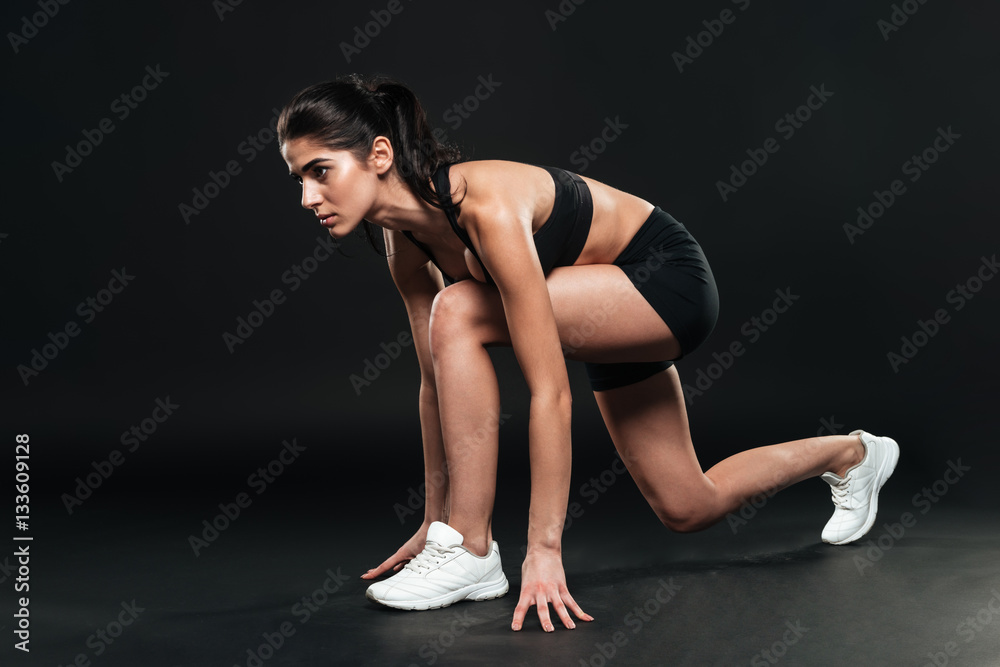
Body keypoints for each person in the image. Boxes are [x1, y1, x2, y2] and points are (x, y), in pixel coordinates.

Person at [277, 73, 900, 633]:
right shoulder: (403, 243)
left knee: (461, 307)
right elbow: (435, 385)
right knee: (689, 506)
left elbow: (549, 389)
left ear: (378, 155)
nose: (308, 197)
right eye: (298, 178)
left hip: (663, 282)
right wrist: (431, 517)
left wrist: (543, 548)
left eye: (321, 171)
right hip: (599, 309)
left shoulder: (484, 206)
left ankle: (472, 552)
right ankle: (855, 454)